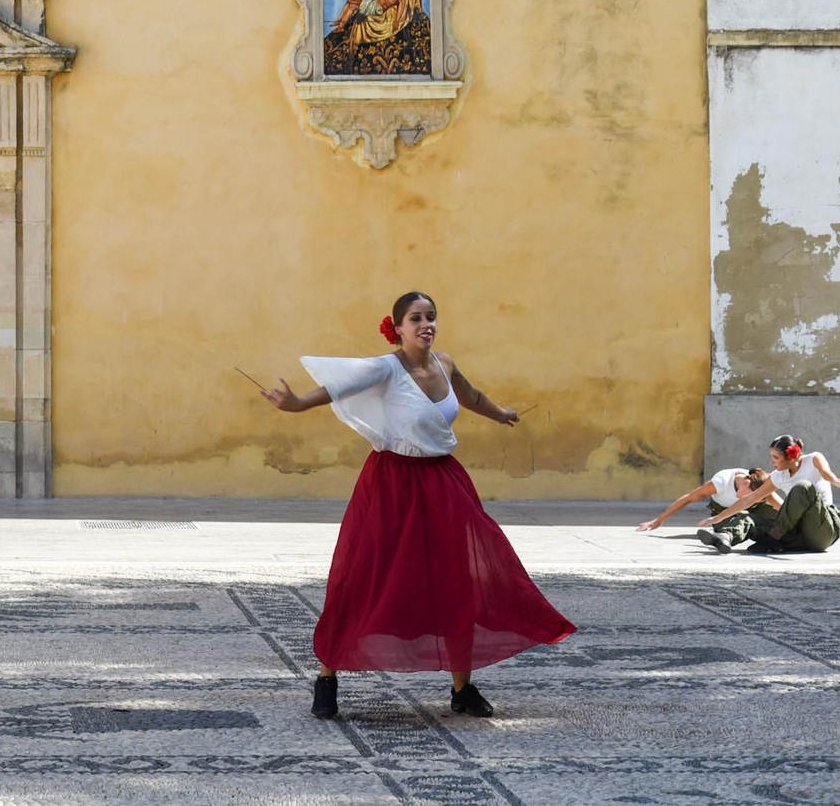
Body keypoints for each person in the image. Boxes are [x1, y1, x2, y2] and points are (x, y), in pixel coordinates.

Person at [262, 292, 575, 721]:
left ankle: (462, 689)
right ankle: (327, 677)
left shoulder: (444, 364)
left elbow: (470, 395)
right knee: (362, 576)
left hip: (442, 481)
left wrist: (501, 413)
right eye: (416, 318)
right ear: (398, 327)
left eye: (431, 317)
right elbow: (337, 388)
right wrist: (296, 404)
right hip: (390, 483)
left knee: (459, 576)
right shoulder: (386, 368)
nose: (426, 324)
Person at [701, 434, 840, 554]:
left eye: (775, 457)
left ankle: (774, 538)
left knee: (803, 487)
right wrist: (719, 517)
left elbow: (826, 472)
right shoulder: (778, 475)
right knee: (749, 518)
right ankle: (724, 538)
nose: (771, 462)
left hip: (822, 532)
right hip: (798, 534)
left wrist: (836, 481)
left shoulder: (813, 459)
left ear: (791, 456)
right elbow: (750, 499)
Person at [636, 467, 779, 553]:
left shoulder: (760, 485)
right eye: (752, 496)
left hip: (756, 510)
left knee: (776, 518)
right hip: (723, 513)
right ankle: (724, 537)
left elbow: (783, 507)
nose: (751, 499)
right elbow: (689, 497)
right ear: (746, 483)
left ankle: (776, 539)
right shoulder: (722, 481)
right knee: (740, 519)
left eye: (758, 498)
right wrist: (660, 519)